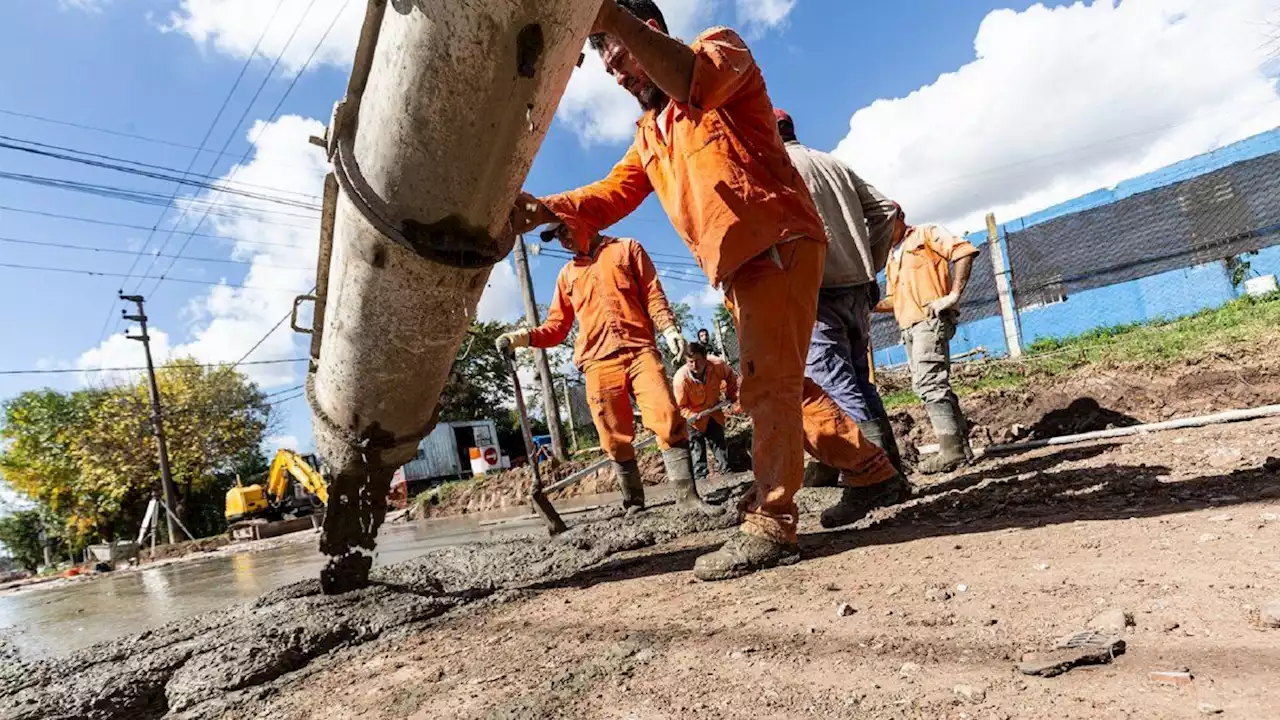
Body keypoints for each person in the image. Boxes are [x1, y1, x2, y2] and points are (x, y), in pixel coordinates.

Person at [508, 0, 907, 581]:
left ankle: (771, 521)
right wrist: (544, 207)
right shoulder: (651, 132)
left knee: (769, 383)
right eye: (610, 71)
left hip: (778, 243)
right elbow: (612, 194)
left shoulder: (721, 51)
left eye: (621, 57)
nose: (619, 76)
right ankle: (871, 471)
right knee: (776, 382)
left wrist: (609, 17)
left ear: (648, 32)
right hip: (742, 268)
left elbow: (699, 81)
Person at [497, 229, 717, 515]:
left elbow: (653, 293)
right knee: (612, 435)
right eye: (556, 237)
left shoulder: (627, 248)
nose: (562, 240)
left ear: (584, 220)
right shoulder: (567, 276)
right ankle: (634, 504)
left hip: (639, 350)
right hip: (598, 362)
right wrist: (521, 338)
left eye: (564, 231)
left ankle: (688, 498)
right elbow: (556, 328)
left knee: (667, 414)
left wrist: (669, 328)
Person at [775, 109, 904, 480]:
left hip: (818, 290)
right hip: (858, 288)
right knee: (860, 380)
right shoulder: (833, 164)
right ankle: (891, 467)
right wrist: (871, 261)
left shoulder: (778, 168)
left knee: (834, 384)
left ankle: (871, 478)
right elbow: (886, 211)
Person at [875, 209, 979, 473]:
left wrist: (953, 295)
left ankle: (951, 451)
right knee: (928, 384)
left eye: (882, 222)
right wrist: (867, 304)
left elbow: (964, 251)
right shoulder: (892, 256)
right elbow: (893, 299)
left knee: (929, 382)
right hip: (908, 326)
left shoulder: (925, 233)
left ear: (898, 217)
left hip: (929, 320)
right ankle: (960, 447)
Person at [673, 342, 738, 481]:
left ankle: (726, 473)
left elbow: (731, 377)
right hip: (693, 417)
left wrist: (731, 395)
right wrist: (691, 416)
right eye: (690, 362)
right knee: (696, 447)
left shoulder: (717, 365)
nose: (694, 366)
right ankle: (701, 478)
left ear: (705, 358)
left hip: (713, 411)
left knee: (718, 440)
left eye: (698, 361)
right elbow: (680, 407)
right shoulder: (681, 379)